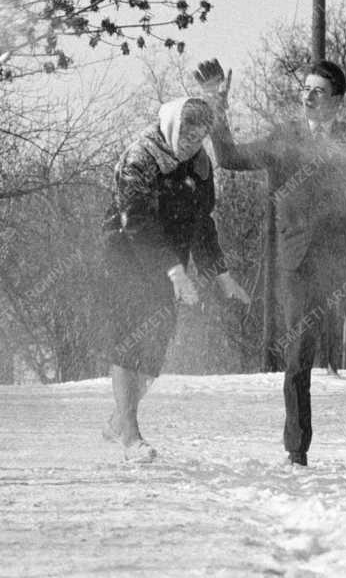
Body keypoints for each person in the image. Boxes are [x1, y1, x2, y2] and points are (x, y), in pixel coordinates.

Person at [196, 59, 346, 467]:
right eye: (305, 88)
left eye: (318, 90)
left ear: (336, 101)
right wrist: (217, 106)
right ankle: (296, 450)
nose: (307, 95)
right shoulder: (285, 139)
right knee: (300, 355)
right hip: (299, 261)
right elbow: (229, 157)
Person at [103, 96, 250, 462]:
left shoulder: (200, 165)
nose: (191, 143)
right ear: (172, 127)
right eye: (186, 135)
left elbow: (203, 224)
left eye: (199, 137)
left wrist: (221, 275)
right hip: (127, 254)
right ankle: (131, 438)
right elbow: (136, 221)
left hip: (173, 259)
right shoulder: (142, 156)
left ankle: (119, 419)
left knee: (155, 348)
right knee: (130, 338)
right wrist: (173, 270)